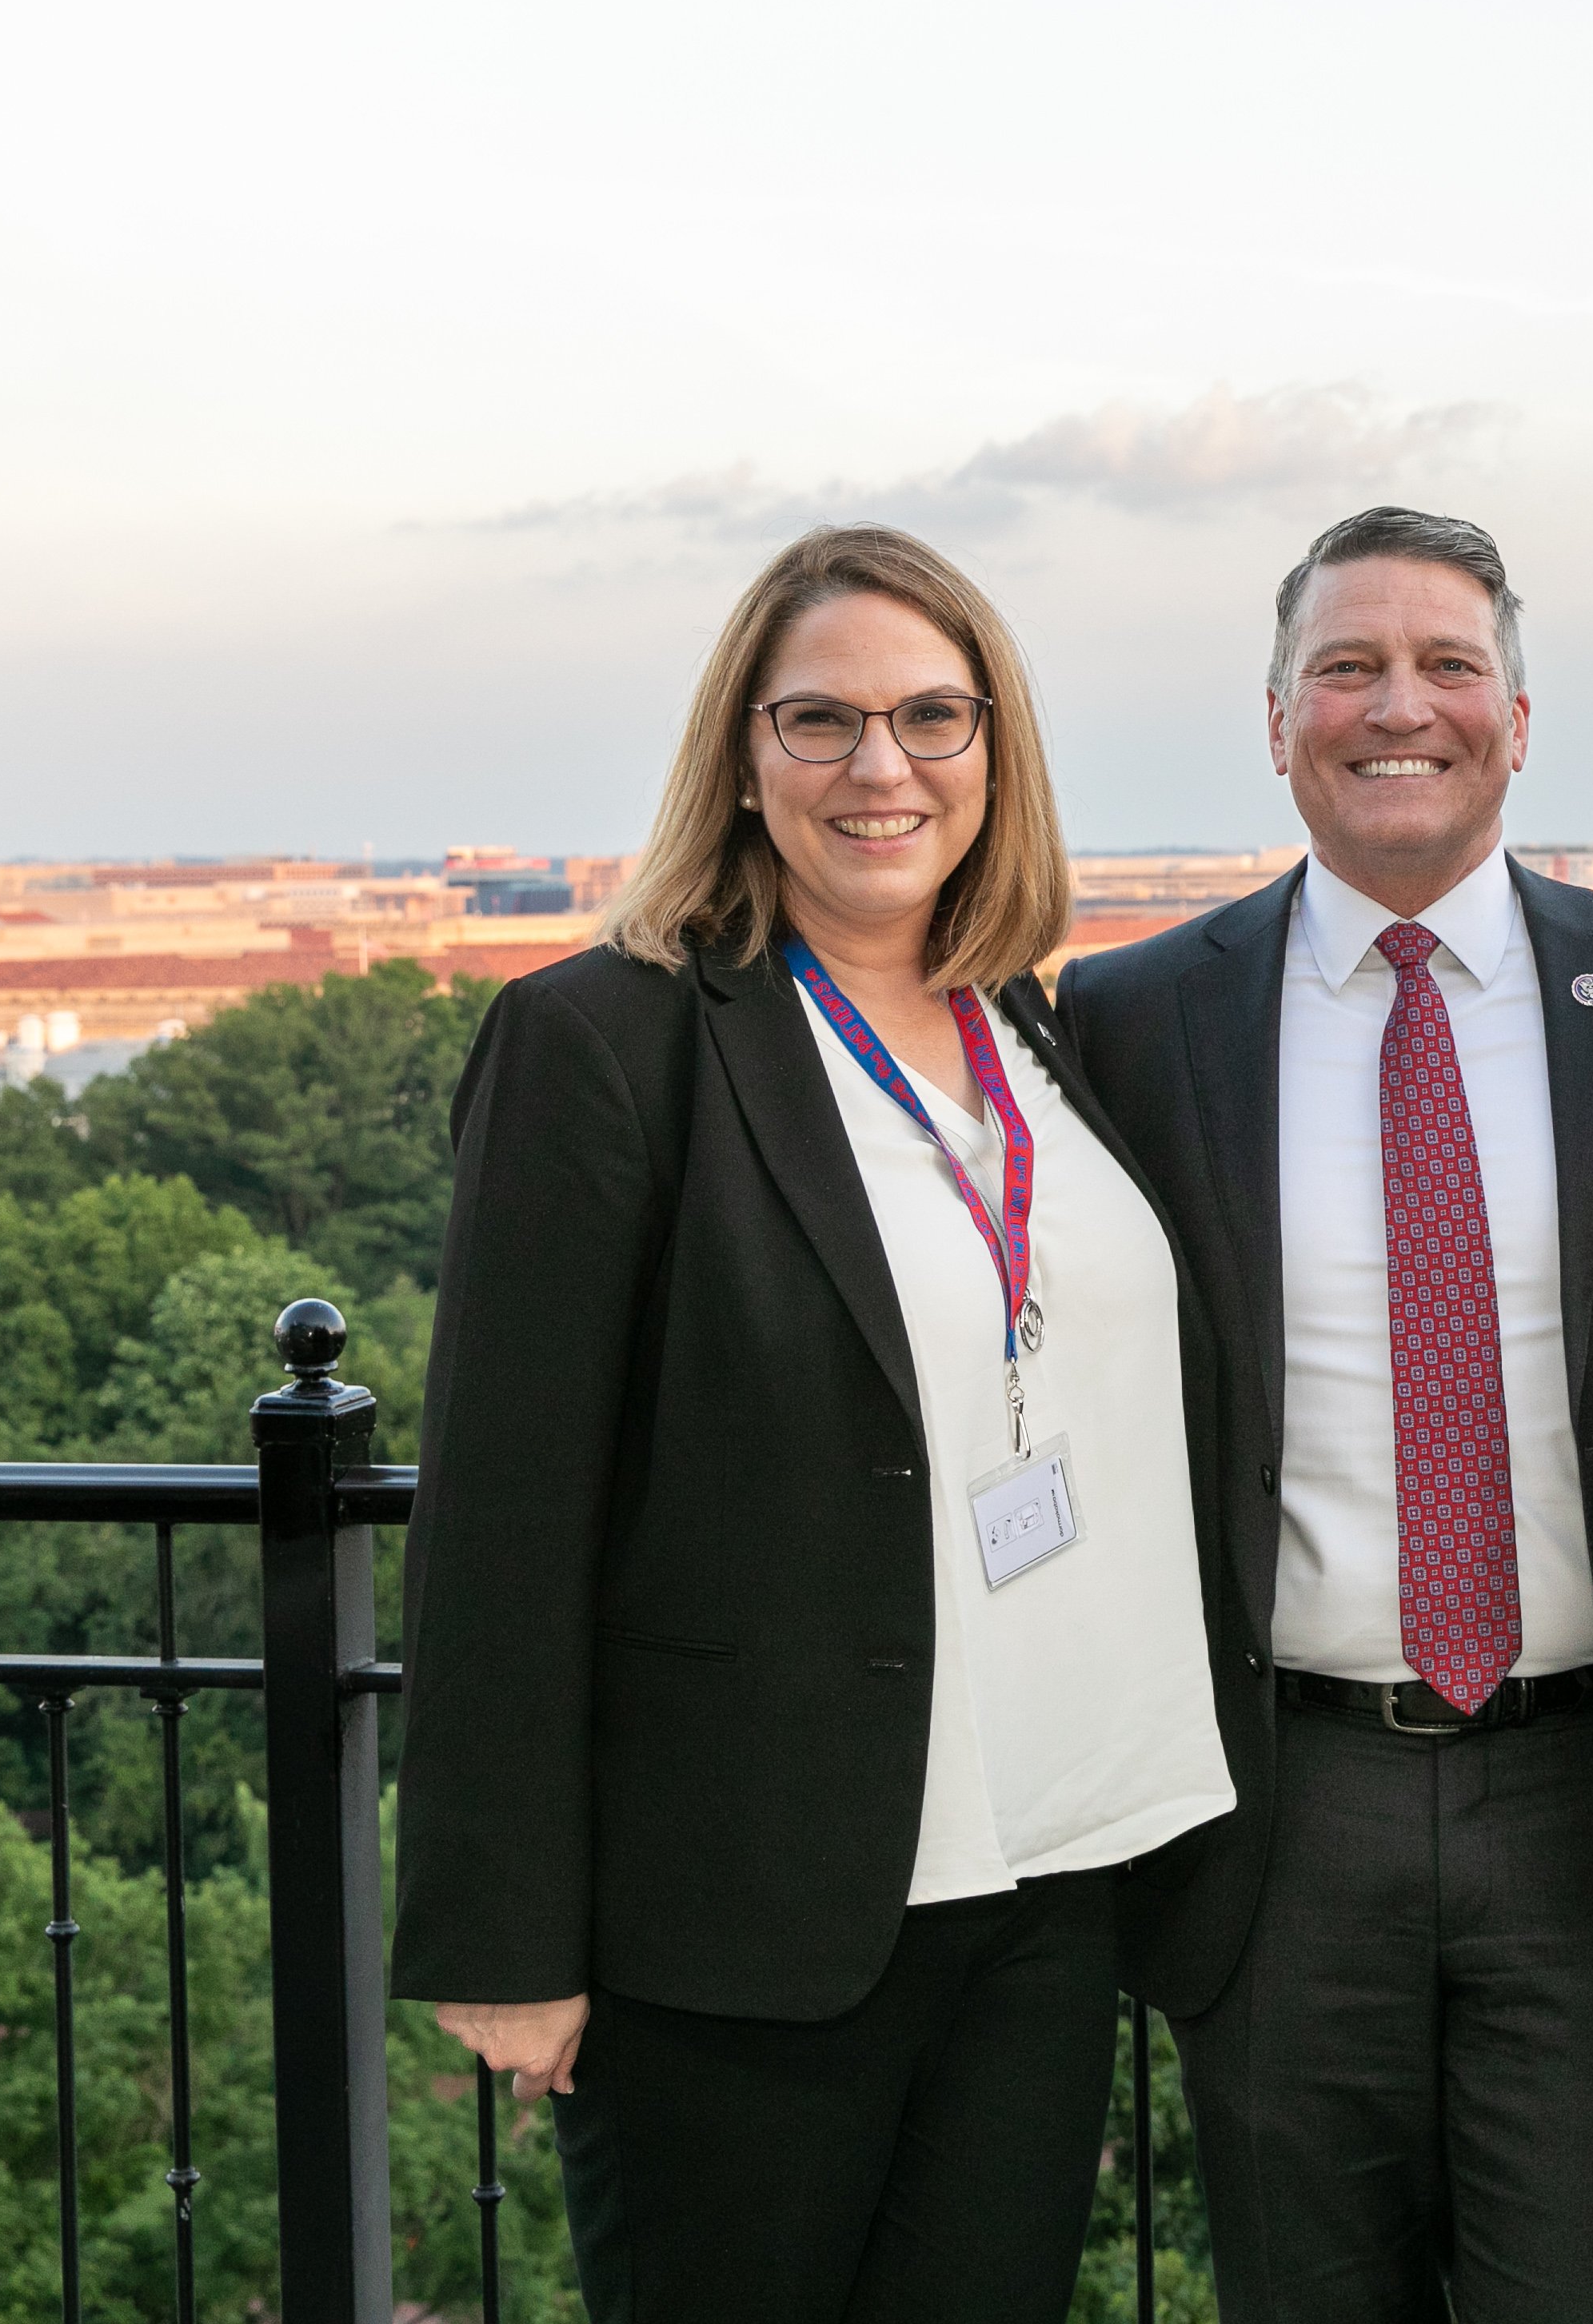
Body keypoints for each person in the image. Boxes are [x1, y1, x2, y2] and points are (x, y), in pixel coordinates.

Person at [390, 524, 1236, 2322]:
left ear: (997, 752)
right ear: (742, 757)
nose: (883, 769)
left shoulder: (1028, 1032)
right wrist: (506, 1938)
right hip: (752, 1910)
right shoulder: (606, 1044)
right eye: (822, 722)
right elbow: (500, 1517)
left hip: (1047, 1873)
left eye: (935, 716)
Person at [1058, 506, 1593, 2322]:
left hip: (1592, 1810)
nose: (1397, 707)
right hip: (1281, 1816)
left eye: (1448, 666)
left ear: (1522, 718)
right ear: (1275, 720)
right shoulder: (1131, 1021)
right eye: (1346, 667)